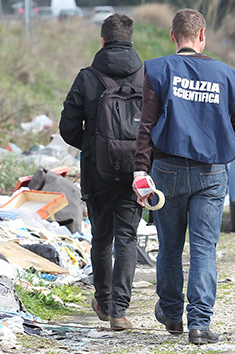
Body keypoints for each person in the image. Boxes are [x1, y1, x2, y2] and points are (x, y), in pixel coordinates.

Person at [133, 8, 235, 345]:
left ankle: (170, 313)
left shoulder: (157, 69)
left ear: (173, 36)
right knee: (203, 248)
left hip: (166, 171)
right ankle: (199, 323)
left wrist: (140, 168)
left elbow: (146, 124)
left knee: (169, 246)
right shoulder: (227, 75)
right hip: (211, 172)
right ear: (202, 35)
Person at [59, 13, 143, 331]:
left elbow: (67, 128)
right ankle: (119, 312)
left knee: (101, 237)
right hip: (136, 169)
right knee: (127, 237)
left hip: (98, 171)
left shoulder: (87, 77)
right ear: (130, 40)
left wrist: (94, 147)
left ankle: (104, 302)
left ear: (103, 40)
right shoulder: (145, 76)